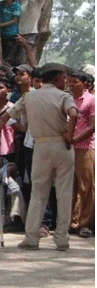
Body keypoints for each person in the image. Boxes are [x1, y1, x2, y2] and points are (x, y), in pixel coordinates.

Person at [0, 63, 77, 251]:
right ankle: (62, 238)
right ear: (56, 79)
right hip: (62, 145)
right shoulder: (64, 96)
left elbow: (7, 115)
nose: (66, 81)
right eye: (64, 77)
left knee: (38, 192)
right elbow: (73, 113)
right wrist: (70, 135)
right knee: (64, 192)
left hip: (40, 146)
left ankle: (31, 237)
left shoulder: (29, 97)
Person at [69, 70, 95, 238]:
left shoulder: (91, 101)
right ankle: (73, 221)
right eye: (69, 81)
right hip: (68, 147)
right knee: (71, 186)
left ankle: (85, 223)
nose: (71, 85)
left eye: (75, 82)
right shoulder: (68, 99)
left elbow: (92, 127)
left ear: (85, 84)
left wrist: (74, 139)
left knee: (86, 186)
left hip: (85, 147)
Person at [0, 0, 23, 65]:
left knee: (8, 58)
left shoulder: (16, 6)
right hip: (0, 35)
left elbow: (15, 20)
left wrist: (1, 25)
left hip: (11, 36)